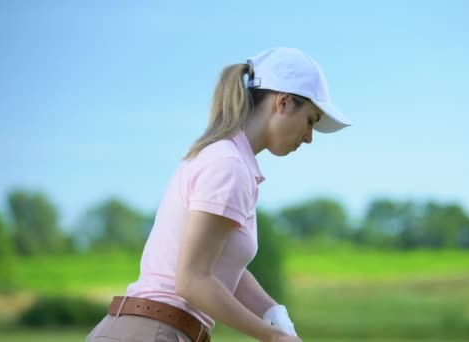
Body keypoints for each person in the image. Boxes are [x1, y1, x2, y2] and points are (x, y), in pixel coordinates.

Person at [86, 47, 352, 342]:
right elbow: (192, 280)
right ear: (284, 102)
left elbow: (222, 267)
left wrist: (273, 313)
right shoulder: (228, 166)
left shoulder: (230, 160)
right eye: (311, 120)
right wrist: (271, 337)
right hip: (152, 332)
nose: (309, 137)